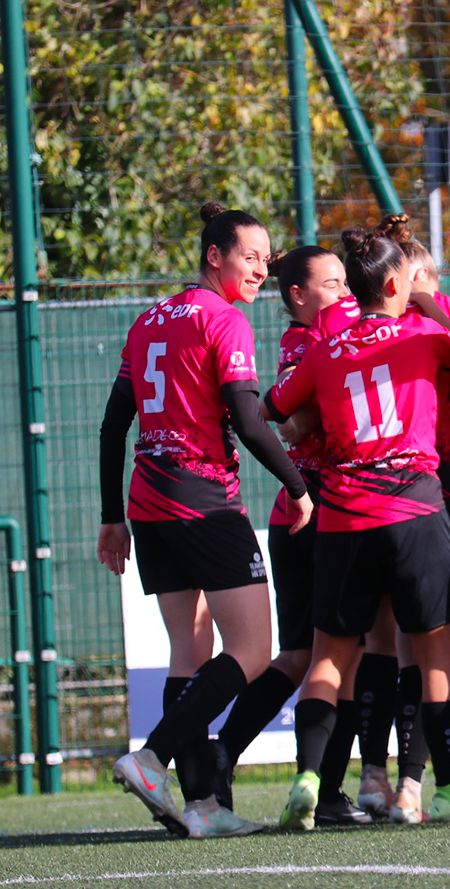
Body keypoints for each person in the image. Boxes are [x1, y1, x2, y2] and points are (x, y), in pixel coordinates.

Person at [99, 202, 314, 838]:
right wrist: (298, 486)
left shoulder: (147, 321)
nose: (260, 269)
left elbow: (115, 425)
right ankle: (151, 758)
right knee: (251, 652)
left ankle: (199, 807)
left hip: (149, 502)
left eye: (265, 259)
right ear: (214, 256)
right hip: (203, 503)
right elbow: (250, 422)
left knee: (189, 653)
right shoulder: (222, 321)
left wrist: (113, 516)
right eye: (249, 257)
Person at [266, 227, 450, 829]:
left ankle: (308, 780)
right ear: (396, 284)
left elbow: (274, 409)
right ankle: (445, 791)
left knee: (330, 659)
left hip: (343, 516)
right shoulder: (426, 333)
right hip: (415, 511)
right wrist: (427, 300)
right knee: (436, 654)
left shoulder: (326, 347)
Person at [204, 245, 372, 825]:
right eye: (332, 283)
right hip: (328, 514)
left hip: (294, 514)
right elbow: (293, 420)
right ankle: (325, 793)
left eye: (348, 281)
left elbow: (294, 419)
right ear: (298, 295)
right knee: (340, 657)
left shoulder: (303, 343)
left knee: (301, 654)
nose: (346, 291)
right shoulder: (321, 342)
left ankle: (224, 753)